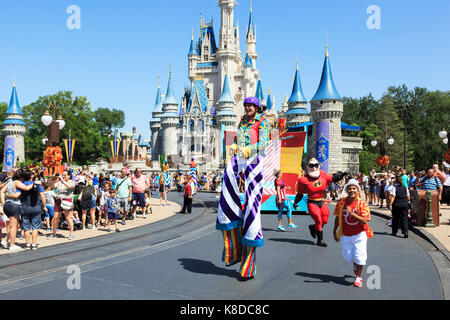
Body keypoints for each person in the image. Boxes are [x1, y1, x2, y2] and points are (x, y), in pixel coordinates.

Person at [216, 96, 269, 281]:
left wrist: (248, 151)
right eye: (245, 105)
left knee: (251, 217)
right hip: (240, 164)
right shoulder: (243, 122)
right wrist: (236, 148)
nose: (247, 108)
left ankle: (248, 266)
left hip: (254, 165)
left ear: (256, 107)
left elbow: (264, 143)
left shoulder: (262, 122)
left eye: (250, 106)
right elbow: (238, 140)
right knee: (232, 207)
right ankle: (234, 253)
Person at [293, 158, 347, 247]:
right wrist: (296, 202)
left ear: (318, 166)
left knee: (325, 220)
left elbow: (333, 178)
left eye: (316, 165)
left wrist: (342, 175)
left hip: (321, 201)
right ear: (307, 167)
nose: (314, 168)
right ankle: (320, 240)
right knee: (318, 219)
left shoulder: (322, 174)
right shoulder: (303, 180)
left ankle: (313, 227)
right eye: (311, 165)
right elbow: (300, 193)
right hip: (312, 202)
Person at [332, 179, 373, 288]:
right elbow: (337, 216)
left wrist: (351, 213)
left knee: (360, 256)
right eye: (349, 188)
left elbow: (365, 220)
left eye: (354, 188)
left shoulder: (362, 204)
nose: (352, 190)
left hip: (360, 234)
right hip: (346, 234)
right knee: (348, 258)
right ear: (346, 190)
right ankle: (355, 264)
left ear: (358, 191)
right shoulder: (341, 202)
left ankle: (359, 277)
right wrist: (335, 230)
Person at [1, 169, 38, 251]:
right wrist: (34, 183)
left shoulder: (10, 182)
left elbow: (2, 191)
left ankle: (6, 240)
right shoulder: (17, 182)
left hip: (7, 205)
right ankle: (12, 245)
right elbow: (27, 188)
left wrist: (4, 202)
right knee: (13, 227)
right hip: (14, 205)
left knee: (17, 225)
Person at [20, 170, 46, 250]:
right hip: (36, 208)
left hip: (25, 208)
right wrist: (44, 206)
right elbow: (42, 196)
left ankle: (27, 244)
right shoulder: (37, 185)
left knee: (26, 227)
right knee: (35, 227)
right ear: (31, 176)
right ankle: (34, 244)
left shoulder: (21, 185)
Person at [48, 170, 76, 240]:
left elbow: (70, 187)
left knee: (68, 218)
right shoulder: (60, 182)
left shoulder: (72, 182)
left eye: (65, 175)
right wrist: (53, 178)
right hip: (58, 200)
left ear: (69, 176)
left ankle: (71, 233)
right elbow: (52, 186)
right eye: (62, 175)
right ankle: (53, 233)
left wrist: (63, 180)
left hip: (67, 200)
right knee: (55, 217)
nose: (63, 176)